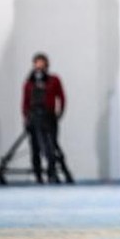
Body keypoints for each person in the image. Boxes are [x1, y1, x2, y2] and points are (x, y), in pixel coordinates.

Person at [19, 53, 72, 184]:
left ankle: (52, 173)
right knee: (35, 148)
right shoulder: (29, 83)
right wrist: (26, 117)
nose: (39, 67)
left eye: (42, 64)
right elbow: (25, 102)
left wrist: (60, 112)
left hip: (49, 117)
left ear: (46, 65)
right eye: (37, 64)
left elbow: (61, 97)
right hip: (34, 118)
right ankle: (38, 175)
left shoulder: (54, 80)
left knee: (51, 147)